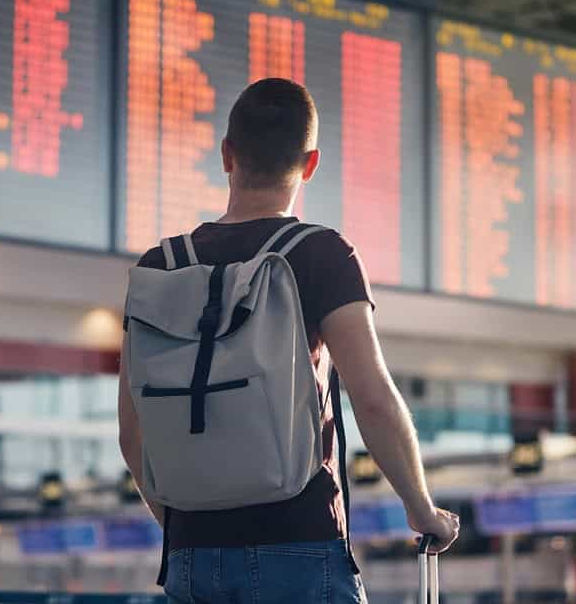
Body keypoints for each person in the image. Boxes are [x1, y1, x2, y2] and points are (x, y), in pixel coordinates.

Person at [118, 78, 459, 603]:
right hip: (300, 542)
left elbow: (132, 433)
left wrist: (187, 530)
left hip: (190, 555)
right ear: (311, 162)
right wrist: (422, 509)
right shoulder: (321, 254)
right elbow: (371, 397)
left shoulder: (158, 267)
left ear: (227, 154)